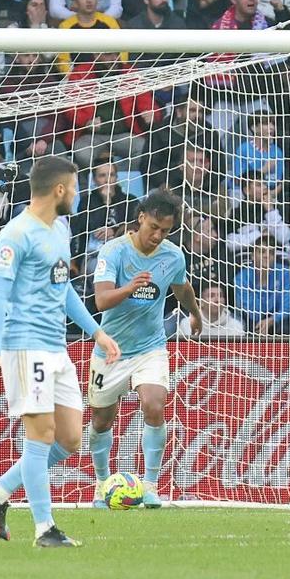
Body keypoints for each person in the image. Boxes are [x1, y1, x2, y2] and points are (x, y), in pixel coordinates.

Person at [0, 155, 122, 549]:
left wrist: (97, 332)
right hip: (24, 347)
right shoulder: (15, 235)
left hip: (57, 348)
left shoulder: (61, 229)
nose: (76, 194)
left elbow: (64, 288)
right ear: (59, 189)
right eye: (74, 187)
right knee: (39, 436)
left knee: (70, 439)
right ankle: (45, 529)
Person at [85, 190, 199, 508]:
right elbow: (101, 300)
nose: (158, 236)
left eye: (165, 231)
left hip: (150, 347)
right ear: (141, 219)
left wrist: (195, 313)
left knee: (154, 403)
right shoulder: (114, 252)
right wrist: (130, 287)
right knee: (102, 420)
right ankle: (101, 485)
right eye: (154, 228)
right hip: (111, 349)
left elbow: (182, 286)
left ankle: (150, 485)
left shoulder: (173, 255)